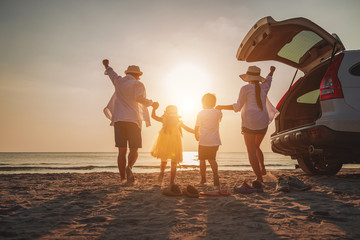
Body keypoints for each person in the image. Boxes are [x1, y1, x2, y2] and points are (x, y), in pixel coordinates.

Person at [216, 66, 278, 185]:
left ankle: (259, 178)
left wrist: (221, 106)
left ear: (248, 78)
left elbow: (238, 107)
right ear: (258, 78)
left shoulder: (245, 88)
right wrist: (271, 71)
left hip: (249, 123)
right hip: (263, 122)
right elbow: (269, 79)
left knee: (251, 151)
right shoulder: (264, 86)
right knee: (256, 147)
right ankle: (262, 167)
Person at [102, 59, 158, 183]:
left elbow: (111, 73)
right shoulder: (138, 84)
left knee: (122, 151)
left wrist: (106, 65)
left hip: (119, 120)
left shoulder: (119, 81)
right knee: (134, 149)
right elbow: (139, 98)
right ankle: (130, 167)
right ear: (137, 75)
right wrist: (151, 103)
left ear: (128, 73)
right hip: (133, 120)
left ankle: (123, 178)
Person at [151, 104, 193, 185]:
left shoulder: (169, 120)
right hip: (171, 143)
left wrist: (154, 109)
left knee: (165, 160)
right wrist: (195, 132)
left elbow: (153, 116)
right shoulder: (167, 120)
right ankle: (169, 179)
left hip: (168, 143)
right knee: (171, 161)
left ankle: (164, 175)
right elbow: (187, 128)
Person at [194, 93, 222, 187]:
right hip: (215, 140)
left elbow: (197, 126)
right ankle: (215, 175)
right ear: (214, 102)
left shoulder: (201, 113)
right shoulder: (217, 112)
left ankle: (203, 179)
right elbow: (219, 118)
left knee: (202, 160)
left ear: (203, 102)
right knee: (212, 159)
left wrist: (196, 134)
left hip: (204, 140)